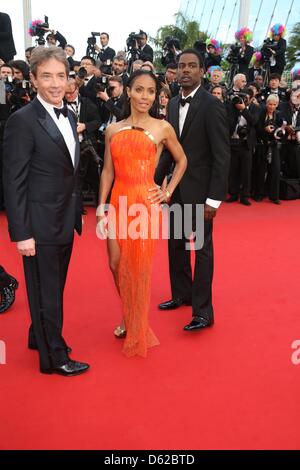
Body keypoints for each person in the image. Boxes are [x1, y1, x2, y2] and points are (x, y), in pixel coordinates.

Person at [3, 46, 89, 376]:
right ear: (34, 78)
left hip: (64, 220)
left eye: (61, 76)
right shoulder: (22, 121)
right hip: (38, 225)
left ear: (69, 78)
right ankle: (55, 357)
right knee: (48, 292)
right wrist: (22, 233)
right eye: (47, 76)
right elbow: (14, 181)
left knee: (50, 287)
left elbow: (68, 169)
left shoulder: (68, 115)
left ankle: (37, 335)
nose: (55, 83)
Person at [97, 70, 187, 357]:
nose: (145, 96)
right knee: (115, 264)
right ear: (128, 91)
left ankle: (132, 320)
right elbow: (108, 171)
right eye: (139, 90)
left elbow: (182, 159)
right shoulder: (113, 129)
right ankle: (129, 311)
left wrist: (167, 191)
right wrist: (101, 206)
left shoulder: (162, 128)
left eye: (150, 91)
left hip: (144, 204)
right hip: (118, 201)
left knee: (138, 267)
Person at [155, 49, 230, 331]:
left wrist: (214, 199)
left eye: (191, 66)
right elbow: (169, 151)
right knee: (176, 246)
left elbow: (222, 156)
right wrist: (153, 182)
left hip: (201, 194)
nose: (185, 70)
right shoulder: (173, 104)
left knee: (201, 250)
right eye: (181, 66)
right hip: (176, 191)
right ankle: (182, 295)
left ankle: (203, 312)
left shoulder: (212, 105)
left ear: (201, 71)